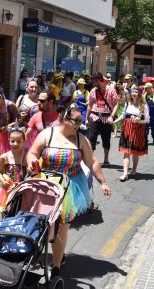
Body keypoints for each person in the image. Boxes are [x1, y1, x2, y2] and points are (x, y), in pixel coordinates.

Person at [27, 105, 111, 277]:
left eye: (81, 121)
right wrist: (31, 161)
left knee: (61, 227)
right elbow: (32, 153)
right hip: (46, 185)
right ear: (65, 119)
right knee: (42, 223)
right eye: (76, 121)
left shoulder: (81, 140)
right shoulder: (47, 134)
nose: (79, 125)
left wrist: (103, 182)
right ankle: (45, 251)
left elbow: (92, 162)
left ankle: (57, 264)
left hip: (70, 187)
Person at [86, 72, 119, 167]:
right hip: (95, 116)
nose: (93, 82)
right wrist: (87, 119)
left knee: (106, 139)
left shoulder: (111, 90)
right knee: (91, 139)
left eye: (95, 80)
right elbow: (90, 105)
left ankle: (106, 159)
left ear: (99, 80)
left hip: (106, 117)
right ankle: (91, 160)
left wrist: (112, 116)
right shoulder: (93, 91)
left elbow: (116, 104)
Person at [118, 85, 149, 181]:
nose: (134, 94)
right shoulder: (128, 103)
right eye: (133, 92)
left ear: (139, 94)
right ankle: (125, 173)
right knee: (126, 152)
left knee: (135, 152)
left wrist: (139, 121)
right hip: (127, 129)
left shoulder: (143, 105)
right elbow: (123, 116)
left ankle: (134, 169)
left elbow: (147, 120)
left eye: (136, 92)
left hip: (137, 130)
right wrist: (114, 121)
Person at [0, 129, 26, 211]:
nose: (15, 144)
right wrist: (3, 181)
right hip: (7, 189)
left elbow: (29, 174)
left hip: (22, 189)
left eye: (18, 141)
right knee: (5, 210)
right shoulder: (4, 157)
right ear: (9, 140)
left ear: (24, 141)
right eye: (13, 141)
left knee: (19, 210)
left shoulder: (25, 157)